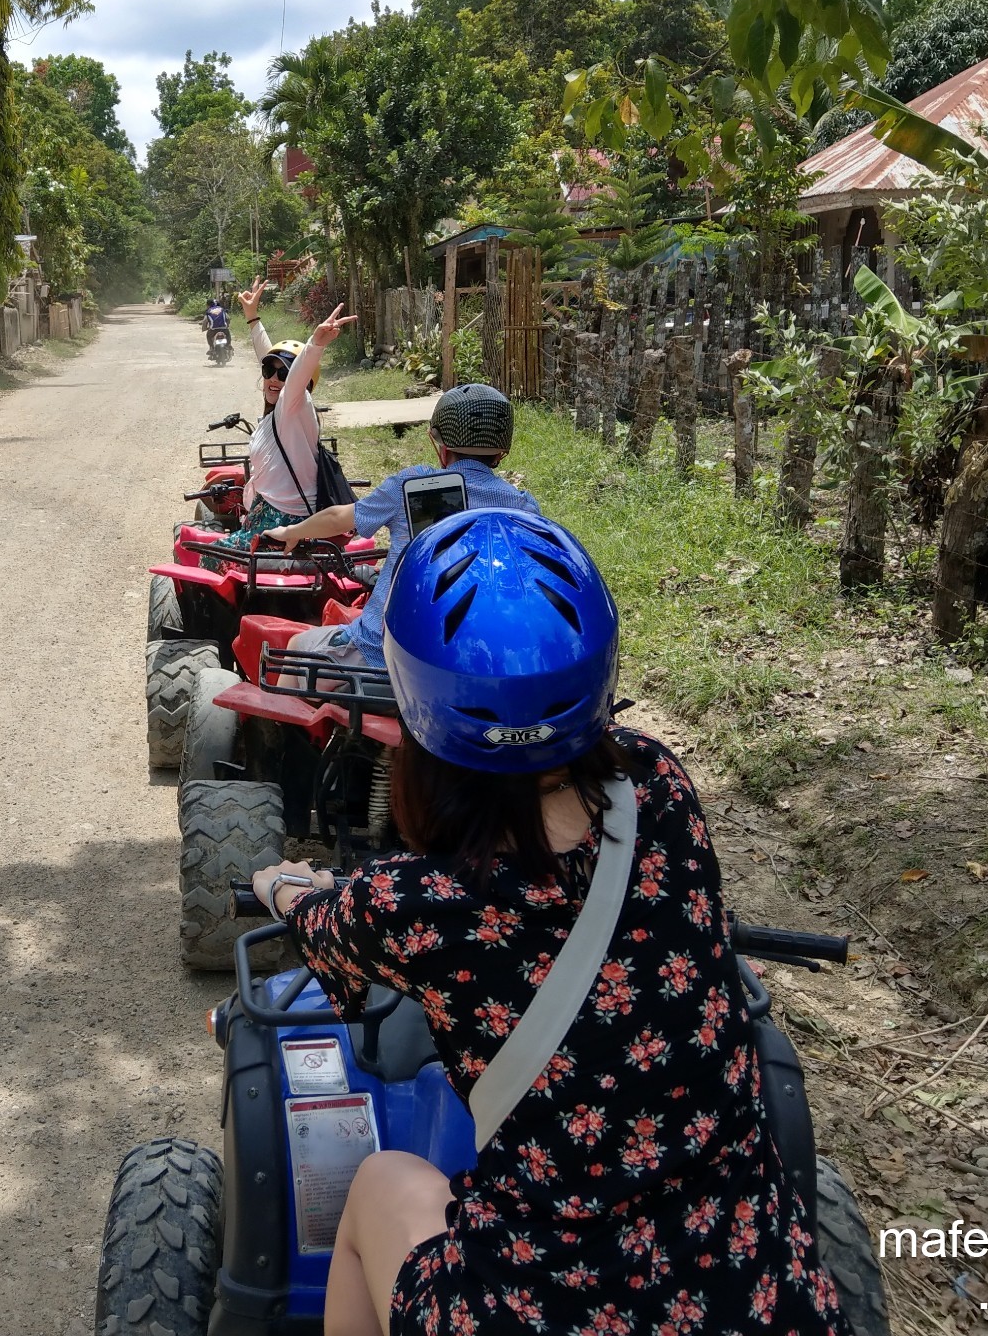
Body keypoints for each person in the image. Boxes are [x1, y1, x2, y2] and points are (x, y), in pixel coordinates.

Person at [253, 510, 845, 1336]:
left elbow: (321, 925)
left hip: (538, 1308)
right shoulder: (662, 789)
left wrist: (285, 886)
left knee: (383, 1182)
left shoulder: (408, 904)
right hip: (759, 1296)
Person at [269, 383, 539, 670]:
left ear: (441, 447)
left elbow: (337, 519)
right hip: (472, 659)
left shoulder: (411, 485)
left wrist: (290, 532)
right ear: (501, 453)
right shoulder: (522, 506)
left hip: (381, 652)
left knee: (297, 647)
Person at [201, 277, 354, 559]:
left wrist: (315, 345)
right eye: (268, 371)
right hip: (276, 510)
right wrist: (252, 318)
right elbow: (269, 356)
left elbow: (295, 378)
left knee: (209, 555)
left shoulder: (295, 403)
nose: (273, 378)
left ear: (302, 382)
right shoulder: (281, 416)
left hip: (284, 519)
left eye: (283, 373)